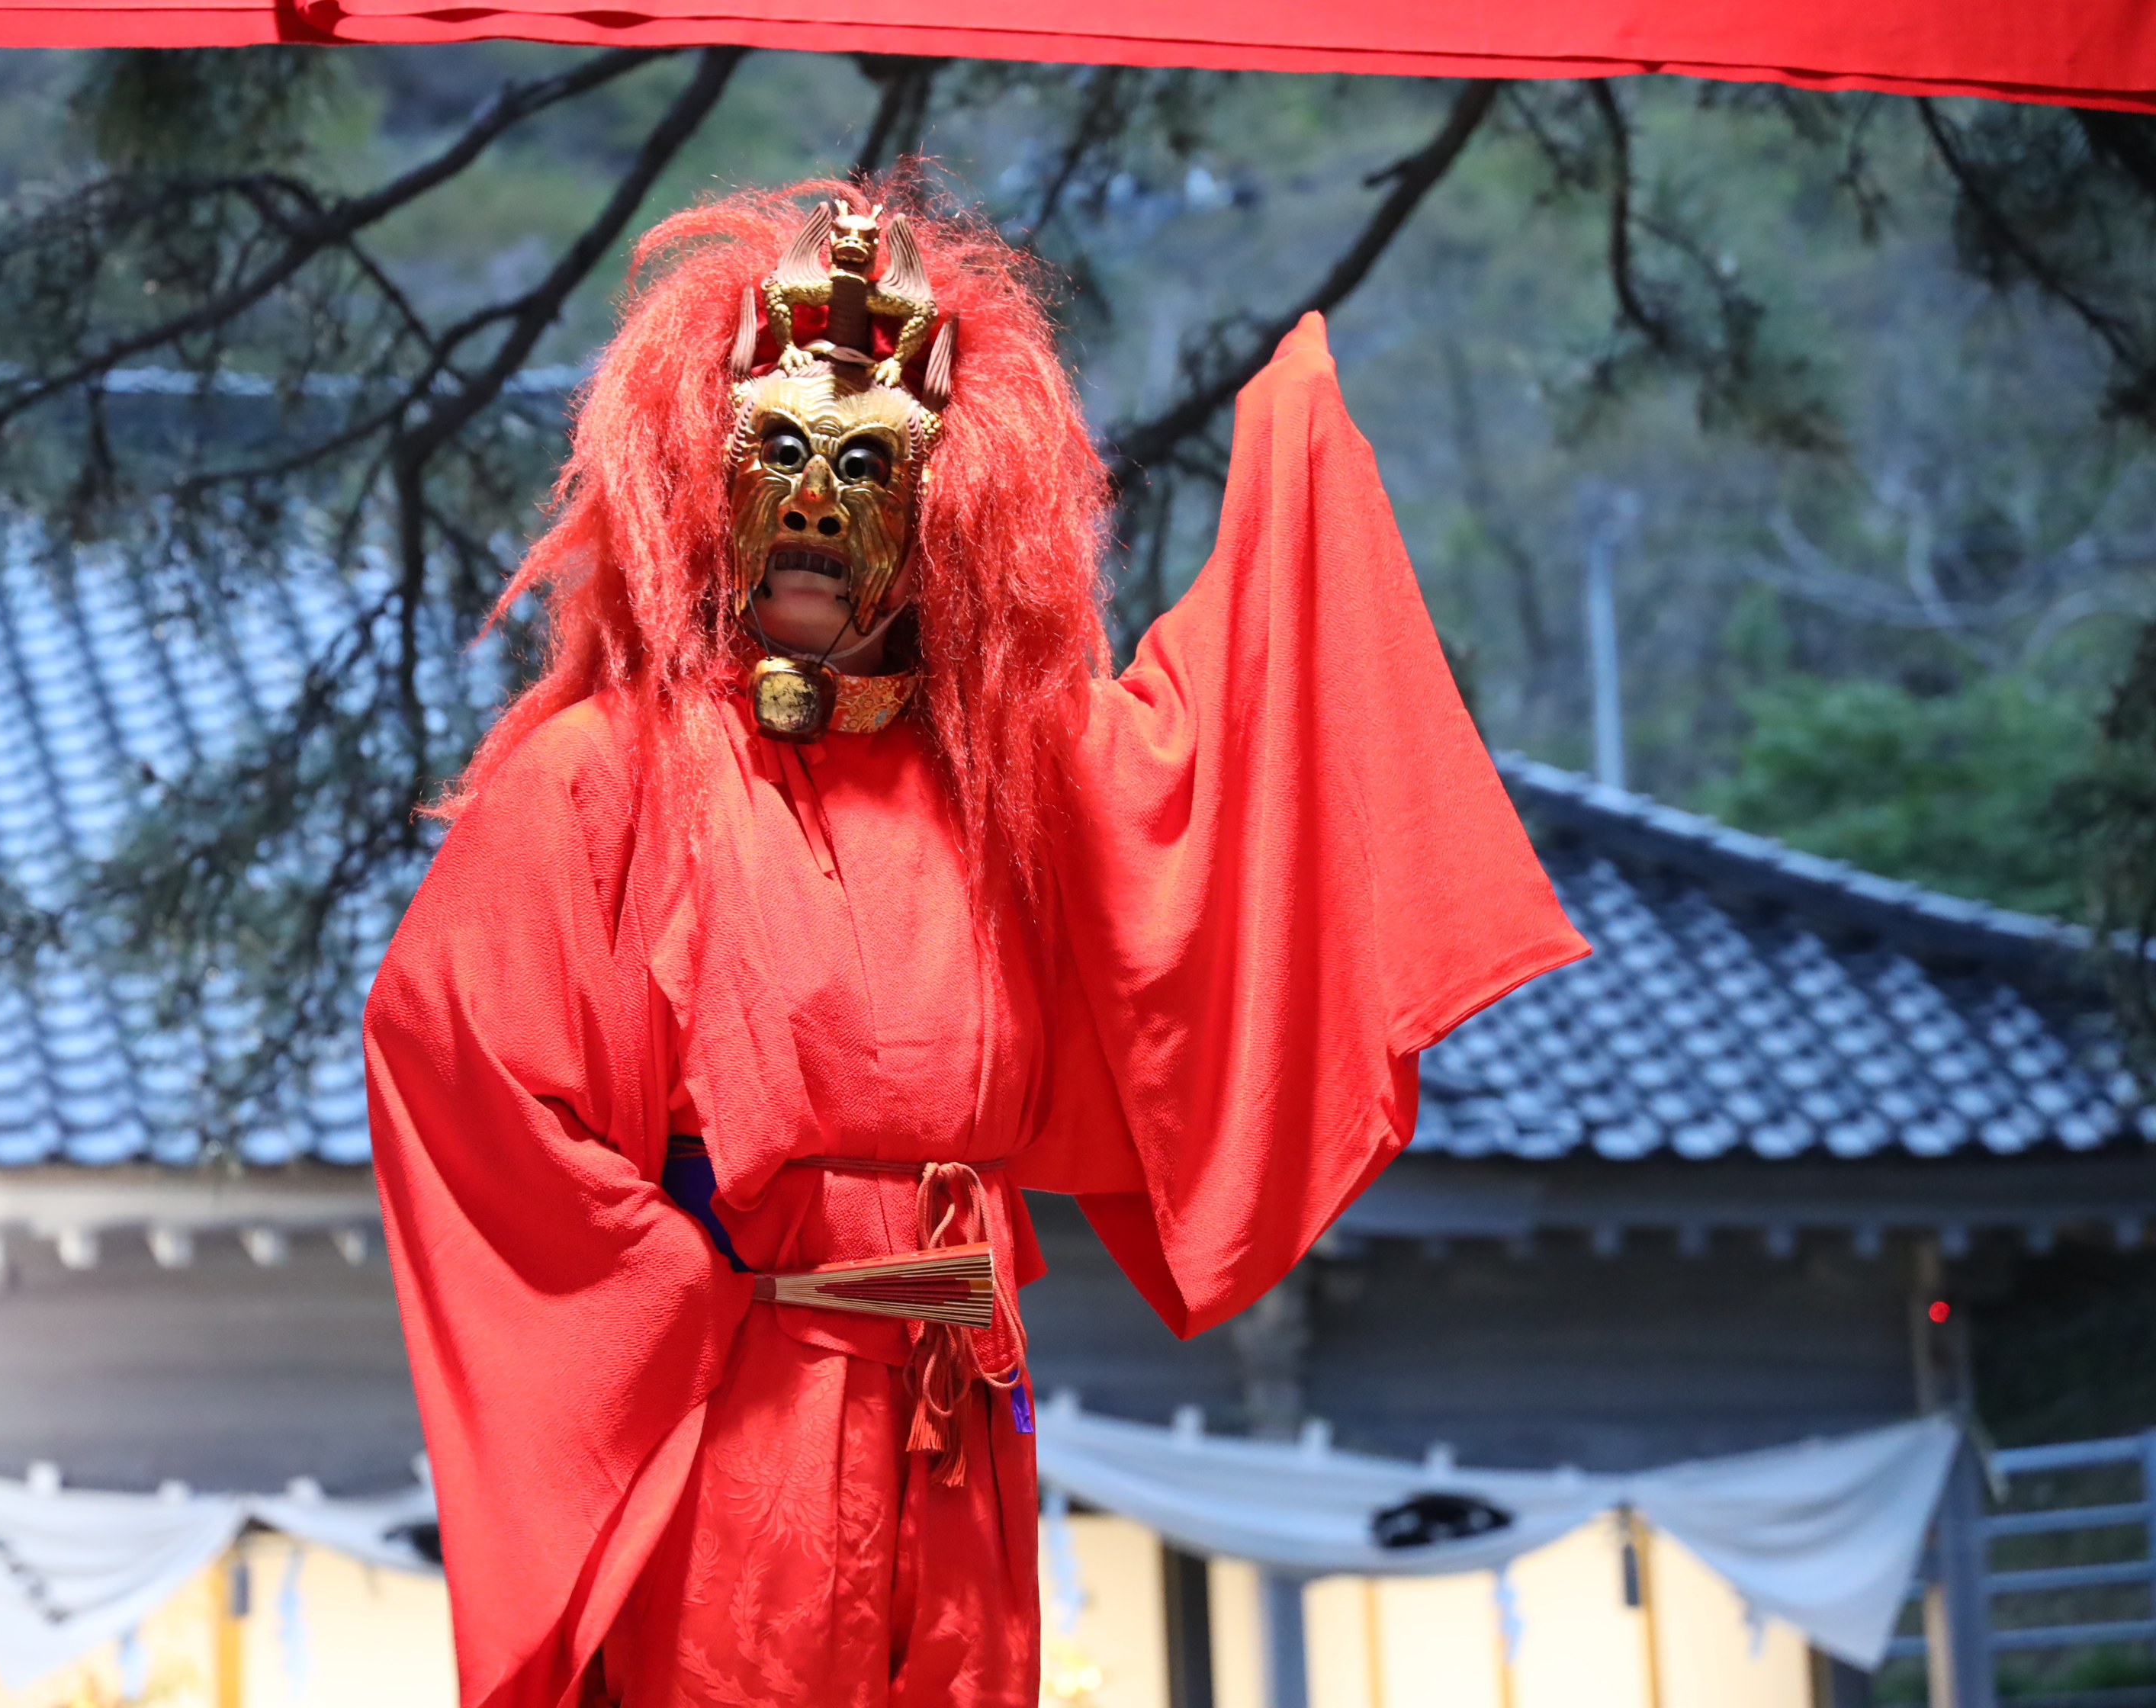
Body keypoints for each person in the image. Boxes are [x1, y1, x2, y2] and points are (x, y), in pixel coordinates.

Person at [364, 179, 1586, 1708]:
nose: (815, 500)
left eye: (865, 463)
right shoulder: (599, 776)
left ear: (941, 498)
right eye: (782, 455)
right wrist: (688, 1286)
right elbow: (454, 1060)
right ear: (708, 480)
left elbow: (1190, 817)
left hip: (966, 1412)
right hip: (748, 1412)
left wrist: (1300, 512)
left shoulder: (1001, 774)